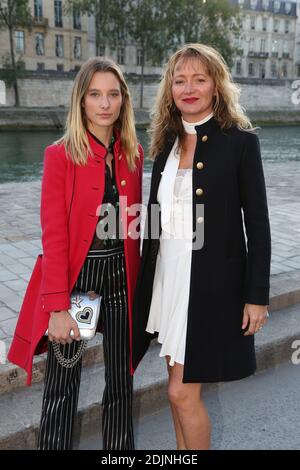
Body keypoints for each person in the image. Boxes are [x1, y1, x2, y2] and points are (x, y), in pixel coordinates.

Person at [132, 43, 271, 450]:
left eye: (199, 79)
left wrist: (256, 296)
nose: (188, 88)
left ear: (215, 86)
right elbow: (155, 220)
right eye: (180, 80)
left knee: (181, 394)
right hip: (169, 281)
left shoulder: (240, 143)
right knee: (178, 392)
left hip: (210, 287)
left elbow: (258, 226)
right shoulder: (166, 143)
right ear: (169, 89)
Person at [8, 57, 144, 450]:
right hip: (80, 284)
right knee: (63, 385)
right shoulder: (60, 155)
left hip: (121, 279)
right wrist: (56, 306)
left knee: (122, 380)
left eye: (113, 94)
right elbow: (54, 236)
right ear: (81, 101)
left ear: (123, 100)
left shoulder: (131, 154)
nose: (105, 103)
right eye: (95, 94)